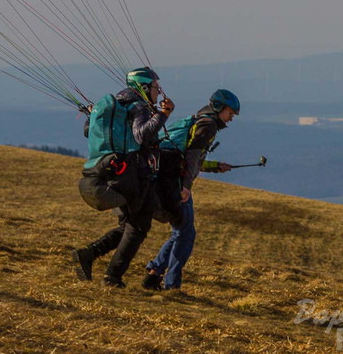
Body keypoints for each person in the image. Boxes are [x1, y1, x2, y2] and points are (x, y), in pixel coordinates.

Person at [73, 67, 174, 287]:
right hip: (132, 174)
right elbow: (142, 134)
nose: (159, 93)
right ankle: (112, 277)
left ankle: (89, 255)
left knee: (128, 226)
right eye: (156, 88)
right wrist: (163, 115)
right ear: (144, 87)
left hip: (114, 170)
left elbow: (88, 131)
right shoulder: (139, 105)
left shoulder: (118, 103)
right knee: (138, 227)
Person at [142, 89, 239, 291]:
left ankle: (154, 274)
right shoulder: (208, 125)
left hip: (173, 178)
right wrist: (185, 187)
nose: (230, 119)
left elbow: (188, 156)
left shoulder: (199, 120)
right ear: (219, 108)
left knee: (182, 231)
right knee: (185, 233)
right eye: (230, 113)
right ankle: (171, 284)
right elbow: (192, 158)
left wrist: (214, 166)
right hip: (178, 183)